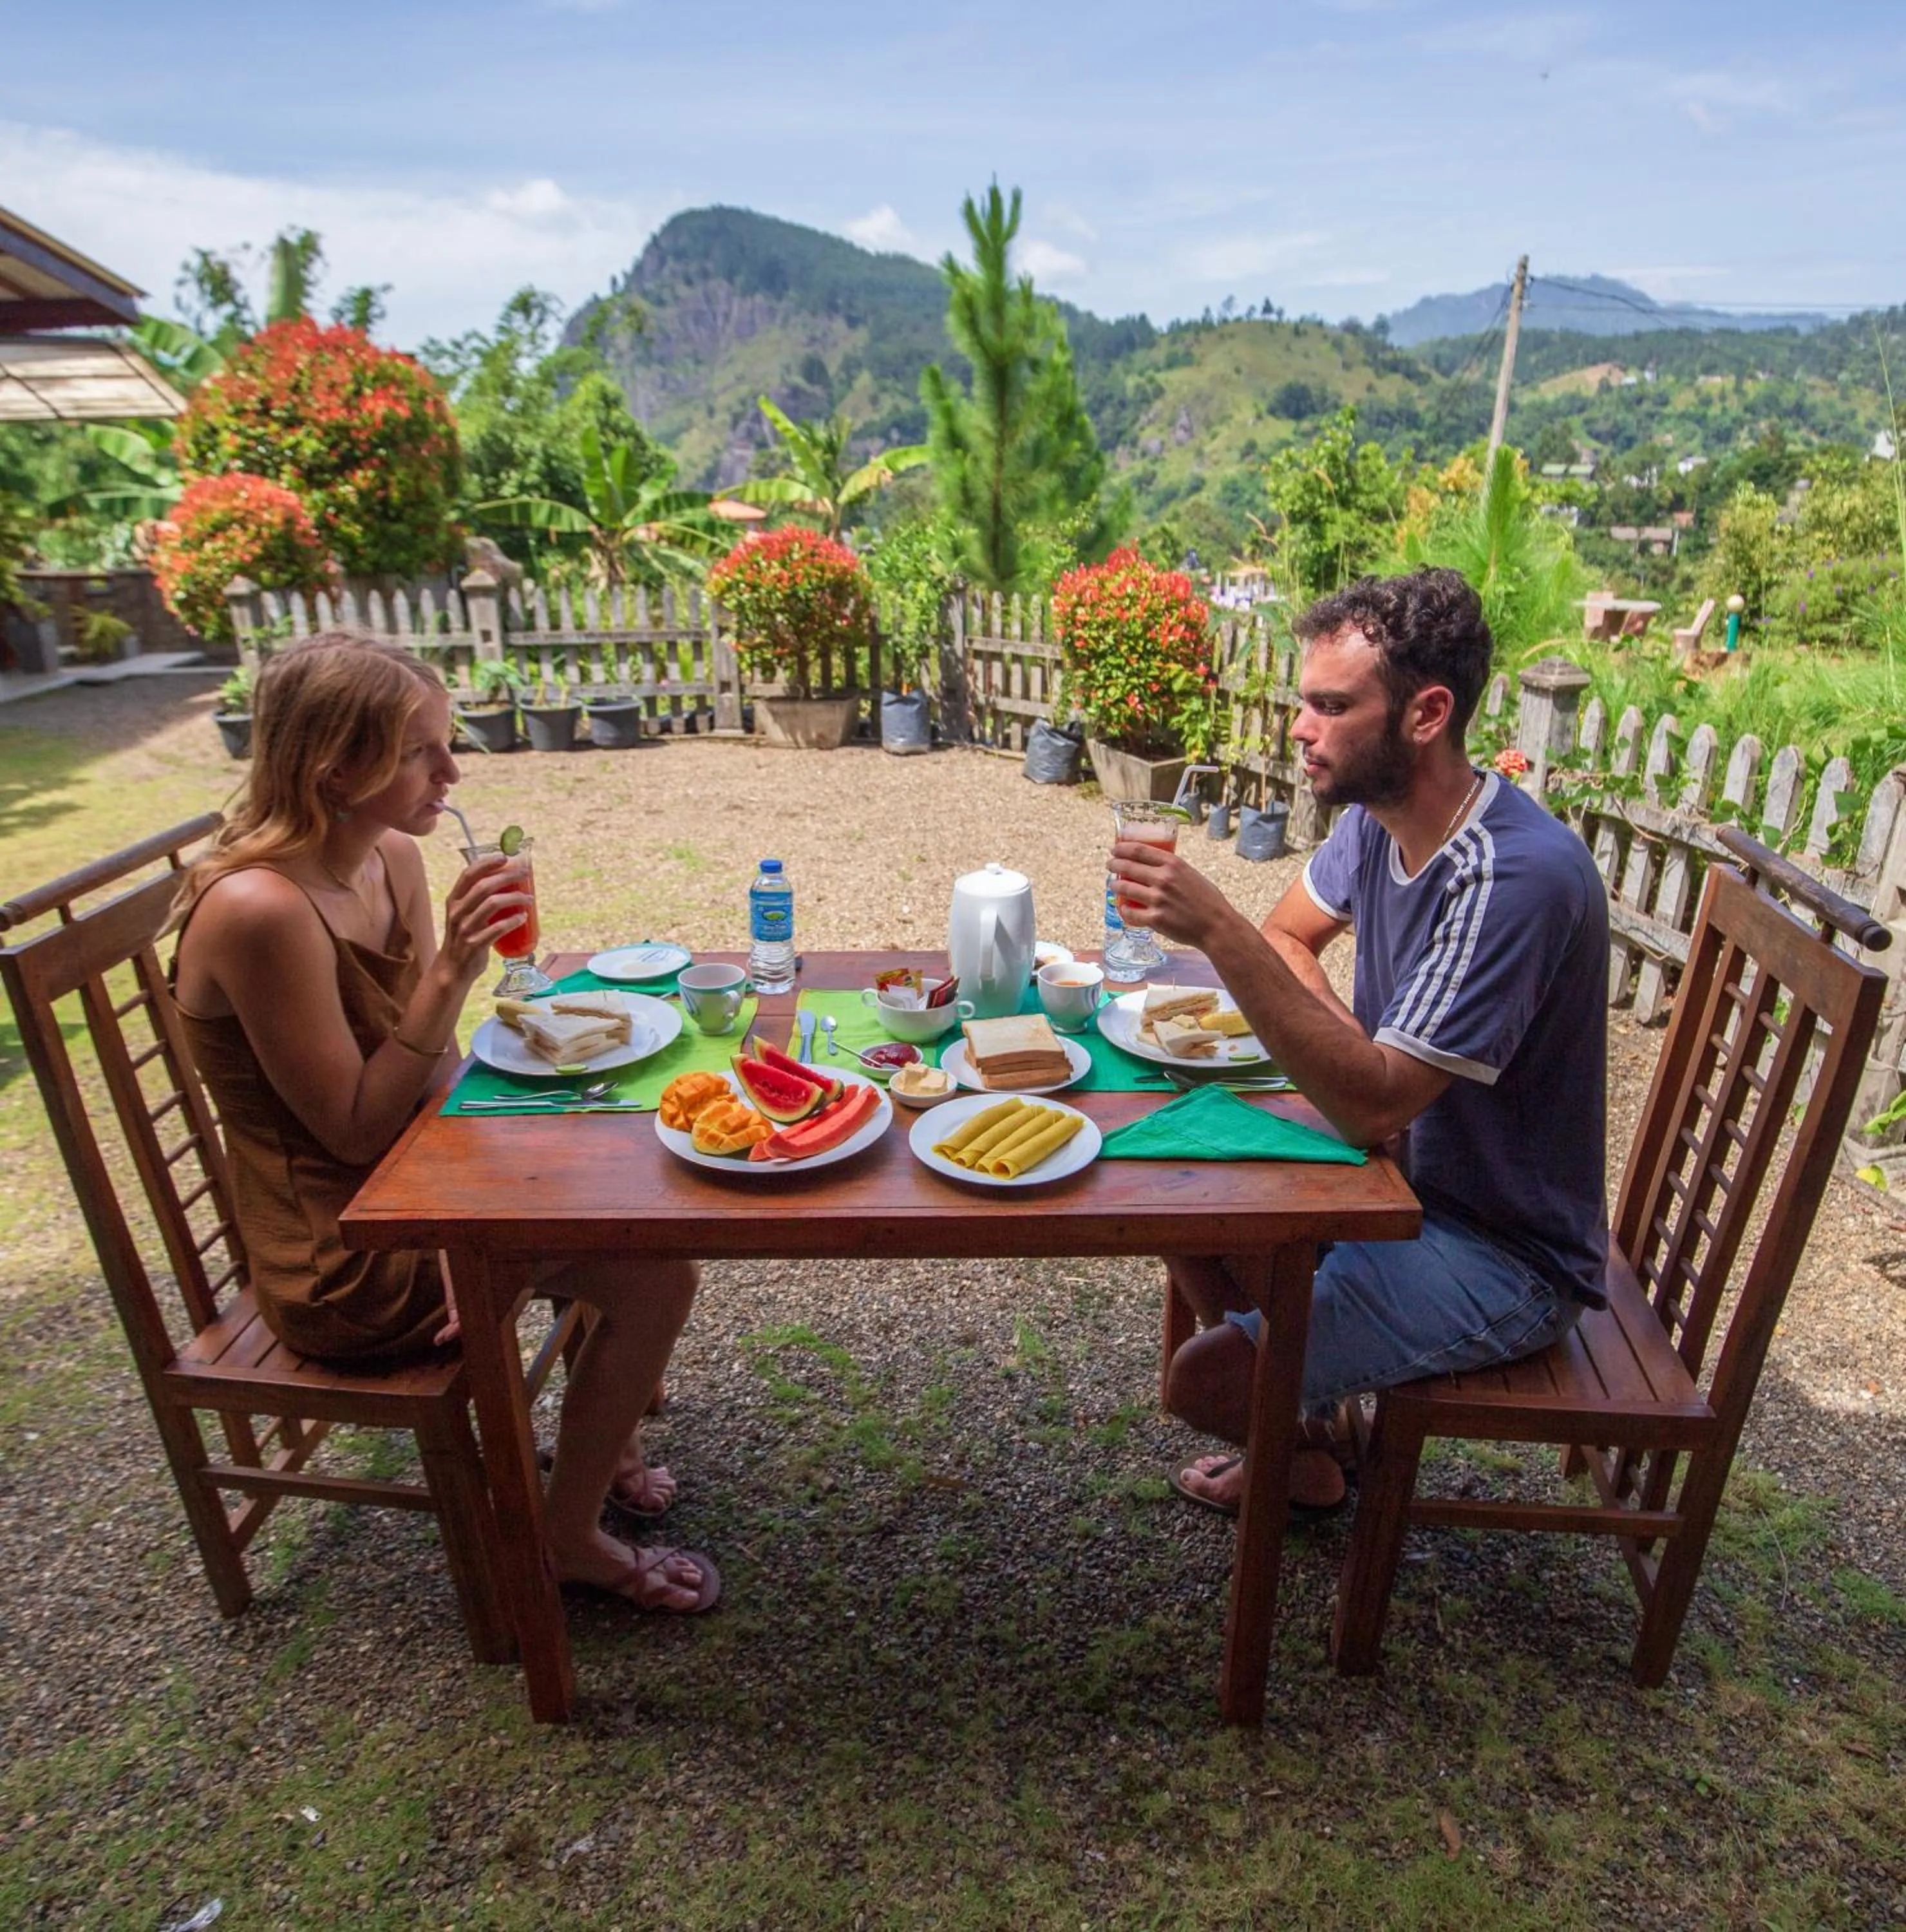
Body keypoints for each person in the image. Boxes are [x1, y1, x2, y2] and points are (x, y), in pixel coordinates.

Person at [172, 634, 717, 1611]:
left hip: (408, 1197)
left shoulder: (387, 857)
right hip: (343, 1258)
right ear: (336, 769)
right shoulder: (261, 911)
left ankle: (605, 1447)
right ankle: (564, 1536)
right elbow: (349, 1131)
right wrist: (454, 973)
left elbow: (436, 1081)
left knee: (604, 1176)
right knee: (658, 1271)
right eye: (421, 749)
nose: (452, 770)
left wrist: (501, 1211)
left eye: (446, 741)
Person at [1109, 568, 1609, 1518]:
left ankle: (1296, 1440)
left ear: (1426, 714)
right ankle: (1309, 1433)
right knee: (1176, 1189)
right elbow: (1295, 937)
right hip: (1393, 1177)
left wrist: (1219, 930)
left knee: (1203, 1382)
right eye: (1305, 700)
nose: (1300, 727)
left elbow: (1368, 1097)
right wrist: (1356, 1058)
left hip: (1506, 1253)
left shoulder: (1513, 879)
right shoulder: (1384, 822)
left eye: (1331, 706)